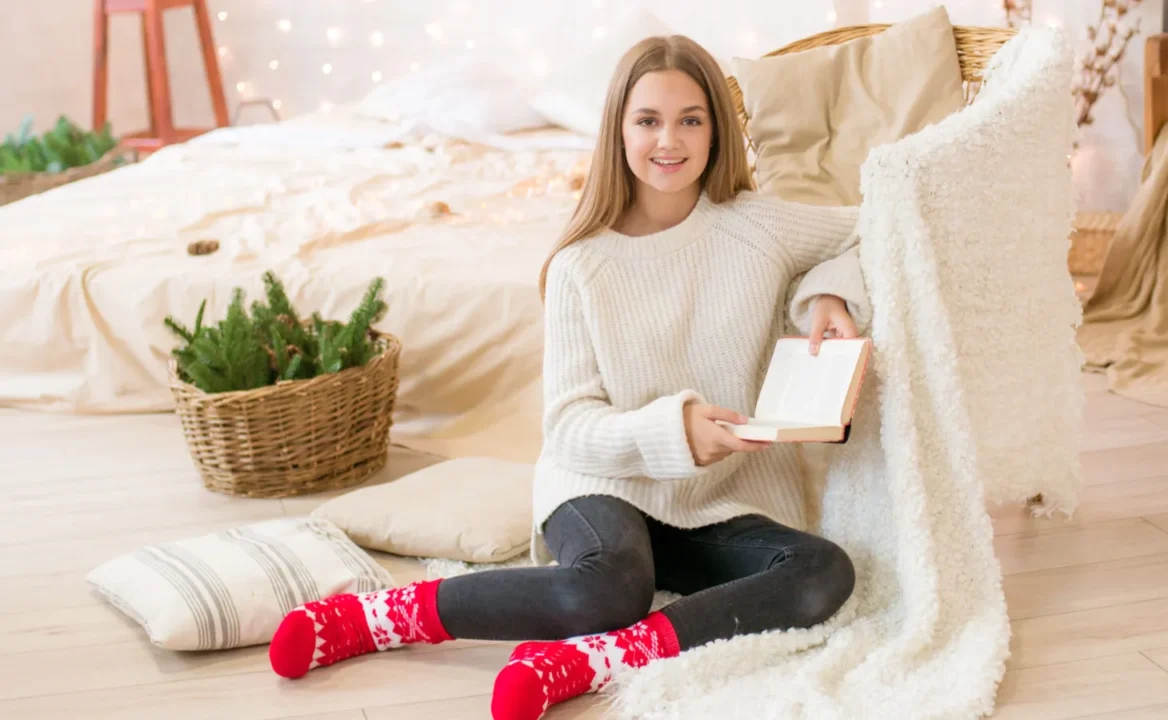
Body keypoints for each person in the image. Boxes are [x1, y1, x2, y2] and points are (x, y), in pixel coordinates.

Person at [268, 33, 871, 720]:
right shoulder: (583, 264)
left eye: (690, 119)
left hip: (719, 499)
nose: (668, 140)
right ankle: (377, 617)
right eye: (647, 120)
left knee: (826, 570)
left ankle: (597, 658)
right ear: (617, 130)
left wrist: (826, 295)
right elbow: (571, 426)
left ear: (716, 131)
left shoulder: (757, 227)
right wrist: (674, 430)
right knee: (608, 588)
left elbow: (869, 229)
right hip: (601, 482)